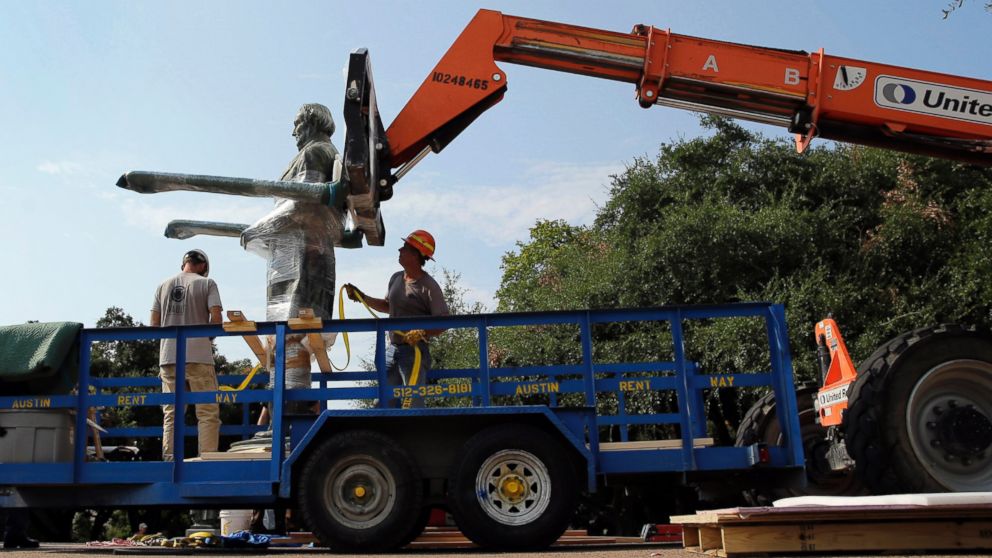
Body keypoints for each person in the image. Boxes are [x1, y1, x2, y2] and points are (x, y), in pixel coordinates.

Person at [344, 230, 450, 408]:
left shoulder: (429, 286)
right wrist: (362, 297)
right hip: (393, 350)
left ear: (416, 255)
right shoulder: (396, 278)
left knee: (412, 403)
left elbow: (444, 322)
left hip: (415, 352)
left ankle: (415, 434)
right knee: (384, 402)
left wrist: (422, 332)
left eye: (405, 248)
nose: (399, 250)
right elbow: (388, 306)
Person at [150, 249, 223, 461]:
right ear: (202, 266)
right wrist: (205, 339)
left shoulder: (162, 286)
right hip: (198, 356)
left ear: (184, 263)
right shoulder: (207, 283)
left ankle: (169, 459)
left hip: (169, 357)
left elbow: (154, 325)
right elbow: (217, 318)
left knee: (171, 413)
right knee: (207, 412)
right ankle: (207, 459)